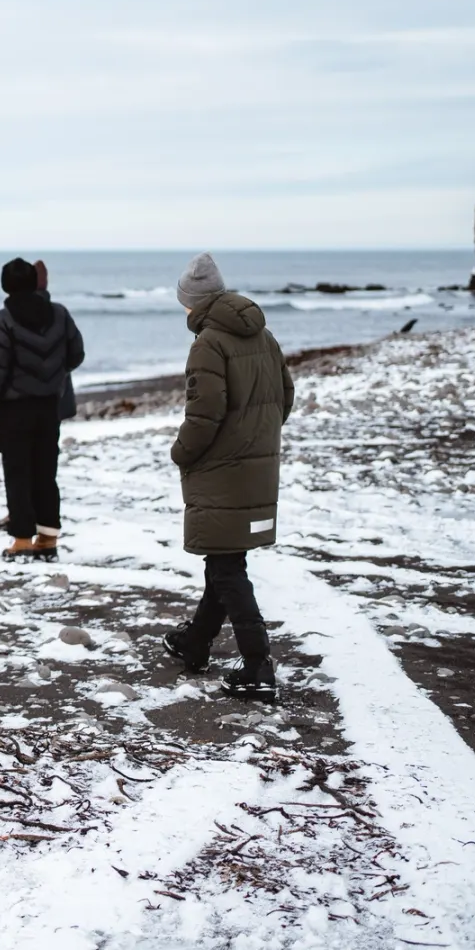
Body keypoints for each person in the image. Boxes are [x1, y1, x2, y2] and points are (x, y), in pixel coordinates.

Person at [160, 253, 294, 700]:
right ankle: (195, 642)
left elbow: (204, 415)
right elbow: (285, 396)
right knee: (225, 559)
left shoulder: (208, 344)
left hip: (221, 469)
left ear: (193, 302)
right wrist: (256, 437)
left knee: (226, 566)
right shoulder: (264, 335)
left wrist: (182, 453)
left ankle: (258, 665)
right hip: (257, 464)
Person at [0, 257, 85, 560]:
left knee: (17, 473)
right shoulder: (60, 314)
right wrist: (52, 373)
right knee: (45, 472)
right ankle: (48, 539)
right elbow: (76, 355)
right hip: (49, 406)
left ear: (5, 285)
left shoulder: (1, 321)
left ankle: (23, 539)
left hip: (15, 410)